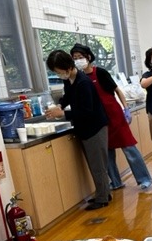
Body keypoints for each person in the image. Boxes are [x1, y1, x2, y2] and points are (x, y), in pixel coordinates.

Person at [70, 44, 152, 190]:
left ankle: (144, 179)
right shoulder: (78, 78)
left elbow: (117, 90)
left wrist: (125, 108)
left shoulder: (100, 73)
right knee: (107, 153)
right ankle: (115, 182)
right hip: (99, 120)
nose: (78, 61)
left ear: (88, 57)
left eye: (80, 57)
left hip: (114, 116)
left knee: (129, 149)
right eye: (75, 58)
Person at [45, 50, 110, 211]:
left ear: (67, 67)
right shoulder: (71, 80)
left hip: (95, 127)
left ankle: (102, 198)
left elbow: (87, 111)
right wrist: (59, 105)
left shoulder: (83, 82)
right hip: (86, 128)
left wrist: (63, 113)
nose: (59, 75)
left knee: (98, 165)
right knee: (95, 164)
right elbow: (67, 96)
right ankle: (104, 193)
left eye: (59, 71)